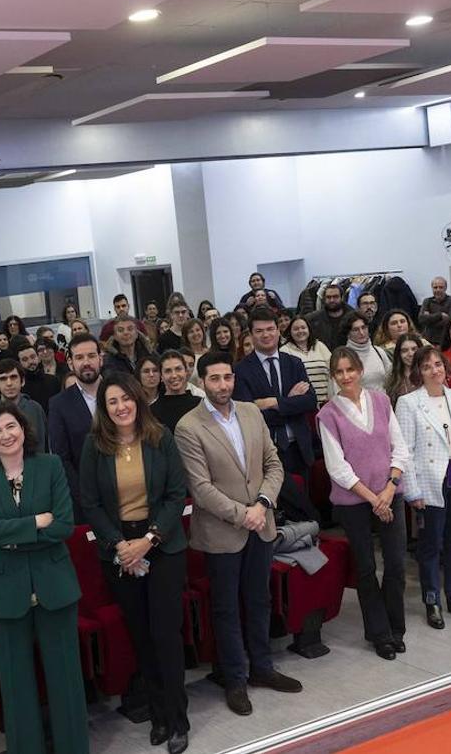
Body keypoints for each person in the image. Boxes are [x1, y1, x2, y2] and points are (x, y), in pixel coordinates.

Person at [175, 351, 301, 715]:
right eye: (214, 378)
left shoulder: (251, 412)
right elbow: (200, 488)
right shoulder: (189, 426)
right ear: (201, 382)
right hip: (221, 531)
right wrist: (243, 514)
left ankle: (262, 668)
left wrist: (262, 504)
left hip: (261, 523)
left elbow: (273, 464)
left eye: (227, 377)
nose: (223, 385)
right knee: (227, 608)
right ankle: (235, 678)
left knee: (259, 600)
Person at [0, 403, 89, 754]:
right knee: (15, 683)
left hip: (54, 583)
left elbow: (65, 525)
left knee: (66, 677)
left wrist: (8, 535)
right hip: (5, 589)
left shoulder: (49, 465)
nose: (6, 435)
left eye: (11, 427)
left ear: (24, 428)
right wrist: (36, 522)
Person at [79, 374, 191, 753]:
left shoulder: (161, 437)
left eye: (126, 398)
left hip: (162, 545)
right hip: (119, 549)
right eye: (112, 402)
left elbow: (177, 495)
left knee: (165, 635)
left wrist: (148, 540)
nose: (121, 407)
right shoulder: (94, 445)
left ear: (138, 400)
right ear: (104, 408)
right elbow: (90, 503)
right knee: (141, 637)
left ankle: (177, 719)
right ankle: (158, 715)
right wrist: (119, 545)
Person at [317, 347, 412, 657]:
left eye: (350, 370)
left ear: (359, 370)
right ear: (333, 377)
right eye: (339, 372)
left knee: (396, 564)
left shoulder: (382, 401)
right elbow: (337, 468)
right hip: (354, 502)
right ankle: (379, 634)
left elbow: (400, 448)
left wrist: (388, 490)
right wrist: (374, 499)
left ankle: (396, 627)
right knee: (366, 568)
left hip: (389, 494)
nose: (346, 376)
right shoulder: (328, 415)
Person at [395, 346, 451, 629]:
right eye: (426, 366)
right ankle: (432, 599)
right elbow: (404, 449)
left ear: (446, 369)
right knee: (431, 543)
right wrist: (412, 490)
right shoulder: (409, 403)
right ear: (418, 373)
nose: (434, 371)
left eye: (438, 365)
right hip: (429, 478)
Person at [232, 308, 320, 522]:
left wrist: (273, 402)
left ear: (279, 331)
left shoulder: (294, 363)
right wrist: (290, 402)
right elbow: (249, 414)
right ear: (251, 335)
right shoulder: (241, 370)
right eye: (259, 331)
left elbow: (309, 401)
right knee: (286, 507)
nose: (266, 334)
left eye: (270, 329)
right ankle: (311, 525)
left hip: (299, 445)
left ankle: (307, 538)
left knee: (303, 496)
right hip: (267, 449)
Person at [49, 333, 103, 518]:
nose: (86, 362)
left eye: (91, 356)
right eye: (79, 357)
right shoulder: (59, 404)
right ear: (70, 363)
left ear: (100, 358)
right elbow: (61, 457)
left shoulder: (122, 389)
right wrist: (84, 496)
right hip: (88, 498)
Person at [0, 358, 48, 451]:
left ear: (23, 381)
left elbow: (43, 444)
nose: (9, 383)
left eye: (13, 377)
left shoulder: (35, 409)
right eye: (3, 379)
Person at [281, 315, 332, 405]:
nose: (300, 331)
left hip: (326, 403)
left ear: (309, 329)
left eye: (303, 328)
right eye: (296, 329)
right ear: (290, 332)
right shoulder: (284, 350)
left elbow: (332, 372)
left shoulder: (320, 346)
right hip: (301, 405)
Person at [152, 351, 202, 432]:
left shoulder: (200, 404)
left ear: (186, 372)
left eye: (178, 369)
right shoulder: (152, 412)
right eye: (168, 371)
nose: (174, 375)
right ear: (161, 376)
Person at [342, 312, 391, 393]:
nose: (361, 333)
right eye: (355, 330)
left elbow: (390, 379)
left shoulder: (379, 352)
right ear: (348, 333)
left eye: (363, 327)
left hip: (382, 402)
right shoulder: (343, 356)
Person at [16, 339, 61, 412]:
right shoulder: (19, 387)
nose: (30, 362)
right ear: (19, 363)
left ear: (38, 358)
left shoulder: (53, 381)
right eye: (25, 359)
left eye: (33, 357)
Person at [304, 283, 353, 349]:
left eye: (335, 297)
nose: (332, 300)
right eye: (328, 297)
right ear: (324, 299)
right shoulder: (312, 319)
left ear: (342, 298)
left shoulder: (353, 317)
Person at [418, 277, 451, 344]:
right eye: (435, 287)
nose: (438, 290)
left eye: (441, 287)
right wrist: (440, 315)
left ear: (445, 288)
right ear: (432, 288)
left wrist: (429, 320)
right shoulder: (427, 301)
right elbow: (421, 319)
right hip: (429, 340)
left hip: (447, 340)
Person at [385, 333, 424, 404]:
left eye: (414, 349)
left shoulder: (431, 372)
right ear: (399, 354)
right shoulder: (392, 377)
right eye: (405, 350)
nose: (410, 354)